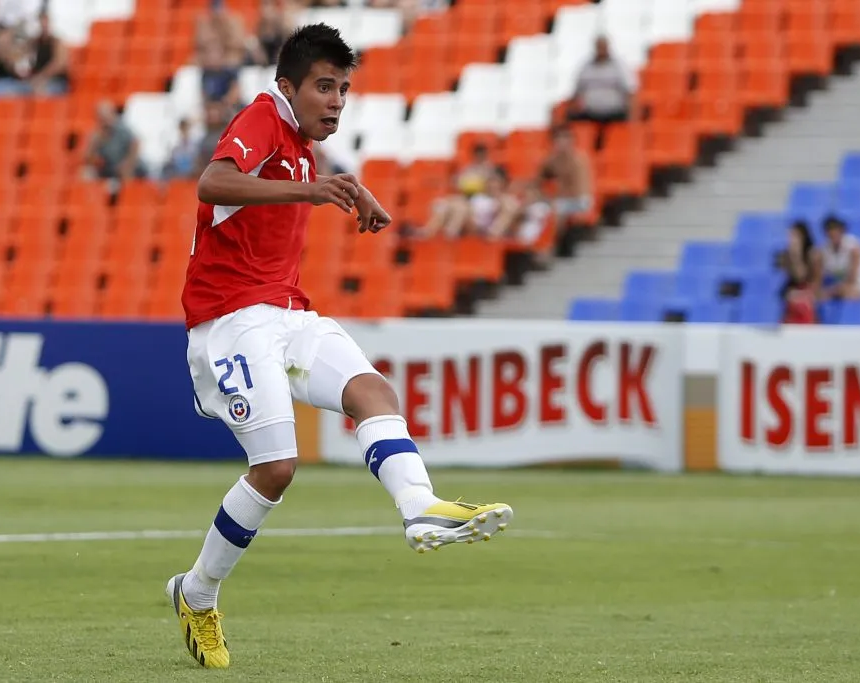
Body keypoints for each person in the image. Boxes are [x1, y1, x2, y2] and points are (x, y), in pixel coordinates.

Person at [168, 24, 513, 670]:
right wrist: (317, 189)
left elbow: (292, 186)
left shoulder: (299, 145)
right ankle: (196, 593)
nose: (336, 100)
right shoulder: (262, 119)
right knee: (276, 467)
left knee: (373, 390)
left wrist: (345, 187)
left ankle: (419, 508)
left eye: (344, 89)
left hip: (285, 312)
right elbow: (213, 183)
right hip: (229, 321)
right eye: (324, 86)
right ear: (287, 86)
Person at [567, 36, 632, 124]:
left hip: (614, 112)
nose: (601, 49)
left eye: (603, 46)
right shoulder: (586, 67)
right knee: (570, 117)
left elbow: (629, 91)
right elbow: (577, 92)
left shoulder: (619, 66)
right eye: (599, 46)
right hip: (591, 112)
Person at [538, 124, 593, 227]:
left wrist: (555, 198)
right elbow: (538, 181)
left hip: (579, 201)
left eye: (565, 138)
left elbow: (580, 192)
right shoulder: (552, 160)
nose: (561, 142)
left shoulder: (579, 161)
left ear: (571, 141)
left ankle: (554, 241)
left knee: (554, 209)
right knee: (535, 209)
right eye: (558, 139)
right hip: (560, 200)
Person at [817, 215, 860, 301]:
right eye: (830, 232)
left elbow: (852, 280)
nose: (833, 236)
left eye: (835, 231)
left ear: (841, 231)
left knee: (841, 292)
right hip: (842, 289)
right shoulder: (825, 249)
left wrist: (832, 290)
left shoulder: (854, 247)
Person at [777, 221, 821, 324]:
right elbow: (794, 278)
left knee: (799, 301)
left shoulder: (814, 255)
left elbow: (807, 279)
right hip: (794, 292)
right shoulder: (788, 254)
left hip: (811, 292)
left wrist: (796, 256)